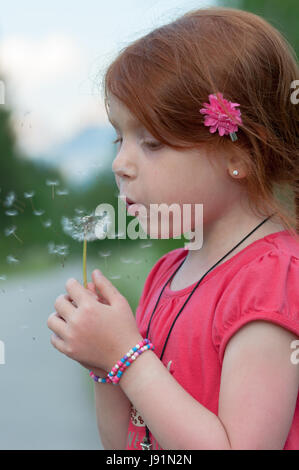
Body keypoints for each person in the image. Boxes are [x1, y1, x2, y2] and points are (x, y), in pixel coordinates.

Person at [47, 6, 299, 450]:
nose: (120, 164)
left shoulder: (271, 282)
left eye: (152, 142)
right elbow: (123, 446)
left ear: (238, 157)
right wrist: (106, 364)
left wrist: (127, 356)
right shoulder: (166, 272)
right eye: (118, 138)